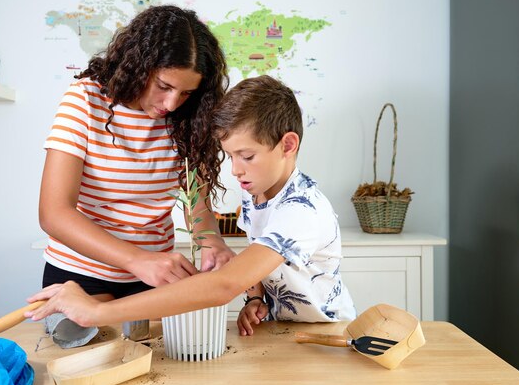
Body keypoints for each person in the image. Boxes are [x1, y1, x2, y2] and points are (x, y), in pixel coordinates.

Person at [27, 75, 356, 335]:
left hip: (326, 333)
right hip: (280, 329)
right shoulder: (258, 191)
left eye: (247, 156)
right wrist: (256, 297)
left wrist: (96, 313)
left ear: (288, 145)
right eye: (230, 156)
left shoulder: (300, 210)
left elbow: (226, 284)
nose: (235, 170)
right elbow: (260, 254)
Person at [38, 5, 233, 307]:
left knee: (165, 352)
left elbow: (198, 203)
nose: (171, 103)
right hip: (79, 273)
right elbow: (54, 214)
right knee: (101, 349)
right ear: (141, 66)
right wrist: (137, 260)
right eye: (164, 86)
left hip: (155, 277)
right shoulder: (86, 99)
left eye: (185, 93)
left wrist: (213, 243)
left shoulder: (191, 117)